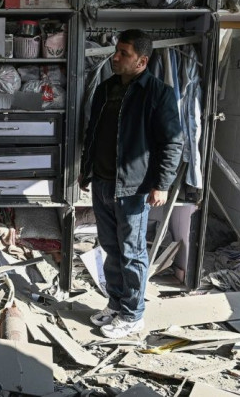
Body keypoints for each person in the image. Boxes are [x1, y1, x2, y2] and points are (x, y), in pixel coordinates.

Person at [79, 29, 183, 338]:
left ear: (142, 60)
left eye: (124, 53)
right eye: (117, 51)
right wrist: (86, 170)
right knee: (110, 247)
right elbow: (93, 132)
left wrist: (162, 184)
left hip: (133, 188)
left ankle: (133, 314)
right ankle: (115, 303)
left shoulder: (158, 93)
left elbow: (172, 143)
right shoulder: (106, 88)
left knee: (132, 251)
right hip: (102, 181)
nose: (116, 57)